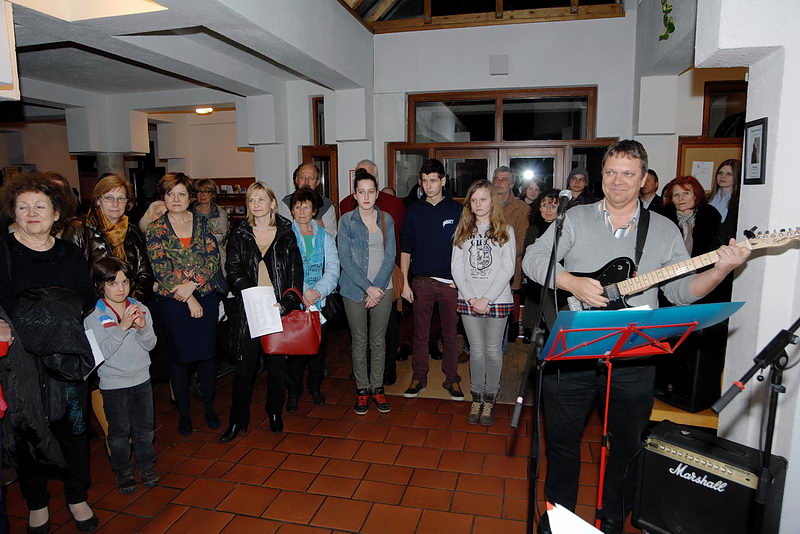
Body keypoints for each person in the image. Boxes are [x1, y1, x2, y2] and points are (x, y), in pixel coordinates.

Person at [522, 140, 749, 534]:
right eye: (611, 172)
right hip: (573, 353)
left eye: (628, 173)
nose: (618, 181)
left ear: (643, 179)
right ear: (601, 176)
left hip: (633, 357)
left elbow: (680, 292)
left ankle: (612, 518)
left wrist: (719, 271)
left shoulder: (663, 229)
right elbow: (533, 259)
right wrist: (571, 282)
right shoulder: (574, 218)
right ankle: (558, 518)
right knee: (561, 443)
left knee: (625, 447)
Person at [0, 171, 98, 533]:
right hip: (21, 357)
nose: (31, 214)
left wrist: (53, 310)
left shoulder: (69, 252)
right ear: (13, 211)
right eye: (23, 207)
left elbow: (86, 296)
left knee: (74, 428)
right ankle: (37, 503)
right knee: (27, 428)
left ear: (56, 213)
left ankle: (77, 496)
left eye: (40, 206)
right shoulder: (3, 251)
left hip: (65, 353)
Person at [61, 174, 155, 457]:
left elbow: (143, 272)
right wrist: (103, 305)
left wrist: (130, 303)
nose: (115, 204)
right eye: (109, 198)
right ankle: (112, 435)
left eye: (121, 198)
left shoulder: (132, 231)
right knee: (99, 375)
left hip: (128, 307)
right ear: (98, 199)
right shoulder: (79, 228)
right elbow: (71, 276)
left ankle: (124, 437)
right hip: (92, 311)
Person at [220, 182, 303, 441]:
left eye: (261, 199)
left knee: (277, 368)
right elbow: (233, 270)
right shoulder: (240, 233)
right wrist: (256, 296)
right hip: (249, 310)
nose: (256, 204)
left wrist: (286, 303)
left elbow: (295, 274)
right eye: (251, 200)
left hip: (278, 311)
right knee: (244, 369)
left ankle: (275, 413)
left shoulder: (286, 233)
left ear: (272, 203)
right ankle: (237, 421)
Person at [145, 173, 222, 437]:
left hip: (206, 296)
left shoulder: (202, 222)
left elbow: (212, 259)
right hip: (174, 303)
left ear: (190, 197)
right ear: (163, 197)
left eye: (181, 194)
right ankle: (185, 414)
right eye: (170, 194)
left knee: (207, 357)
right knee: (179, 359)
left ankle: (210, 409)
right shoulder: (156, 229)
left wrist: (194, 286)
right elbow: (160, 269)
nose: (176, 199)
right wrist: (188, 296)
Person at [84, 257, 158, 495]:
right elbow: (102, 353)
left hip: (142, 379)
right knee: (118, 433)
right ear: (101, 285)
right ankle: (123, 471)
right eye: (113, 283)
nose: (121, 288)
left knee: (145, 429)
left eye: (125, 282)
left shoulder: (140, 308)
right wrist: (122, 327)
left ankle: (147, 466)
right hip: (113, 384)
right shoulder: (94, 316)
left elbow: (150, 345)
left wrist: (143, 328)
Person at [451, 180, 515, 426]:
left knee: (493, 351)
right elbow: (457, 268)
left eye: (483, 199)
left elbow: (508, 268)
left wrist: (487, 298)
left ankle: (490, 398)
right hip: (469, 300)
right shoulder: (462, 230)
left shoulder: (505, 230)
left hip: (496, 299)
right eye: (474, 200)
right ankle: (477, 397)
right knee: (476, 351)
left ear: (492, 202)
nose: (478, 204)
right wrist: (472, 298)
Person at [400, 159, 463, 400]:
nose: (428, 185)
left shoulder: (457, 210)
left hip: (450, 284)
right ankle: (418, 377)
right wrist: (405, 283)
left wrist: (460, 281)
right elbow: (405, 249)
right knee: (420, 334)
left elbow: (464, 248)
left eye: (433, 181)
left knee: (450, 335)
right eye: (424, 181)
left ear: (443, 181)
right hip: (422, 282)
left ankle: (452, 379)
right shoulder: (414, 211)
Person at [339, 159, 407, 385]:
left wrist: (376, 288)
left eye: (370, 191)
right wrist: (368, 287)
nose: (366, 196)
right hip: (353, 289)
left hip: (383, 288)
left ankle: (377, 387)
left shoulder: (386, 219)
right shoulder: (346, 221)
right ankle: (362, 388)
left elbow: (390, 256)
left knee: (378, 341)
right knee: (359, 341)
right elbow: (345, 259)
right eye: (361, 192)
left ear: (377, 194)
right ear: (355, 195)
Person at [286, 187, 339, 410]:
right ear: (292, 210)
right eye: (297, 207)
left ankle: (315, 388)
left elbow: (333, 268)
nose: (301, 211)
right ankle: (294, 394)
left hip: (320, 302)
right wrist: (305, 292)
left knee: (318, 351)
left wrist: (318, 292)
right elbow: (286, 270)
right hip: (294, 303)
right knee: (295, 353)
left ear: (314, 210)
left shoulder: (325, 237)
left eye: (306, 207)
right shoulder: (286, 236)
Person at [490, 167, 529, 344]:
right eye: (496, 179)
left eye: (504, 179)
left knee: (502, 319)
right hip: (483, 268)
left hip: (509, 270)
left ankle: (499, 352)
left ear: (512, 184)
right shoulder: (484, 202)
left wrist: (495, 252)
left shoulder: (522, 209)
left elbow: (521, 244)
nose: (499, 183)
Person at [520, 189, 559, 343]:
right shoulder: (533, 229)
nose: (548, 210)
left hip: (559, 283)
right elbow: (527, 256)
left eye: (553, 206)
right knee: (535, 329)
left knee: (554, 327)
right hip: (536, 282)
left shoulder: (565, 230)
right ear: (539, 208)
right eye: (545, 205)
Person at [661, 176, 724, 258]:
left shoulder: (710, 217)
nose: (680, 198)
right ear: (672, 199)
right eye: (676, 195)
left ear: (695, 195)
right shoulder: (663, 220)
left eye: (686, 193)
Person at [278, 163, 337, 238]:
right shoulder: (286, 203)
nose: (306, 182)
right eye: (303, 177)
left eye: (311, 178)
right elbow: (285, 233)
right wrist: (314, 225)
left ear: (317, 182)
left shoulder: (326, 205)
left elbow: (331, 235)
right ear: (296, 180)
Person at [190, 179, 230, 270]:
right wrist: (210, 234)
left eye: (206, 192)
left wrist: (197, 237)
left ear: (212, 194)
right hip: (193, 258)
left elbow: (220, 237)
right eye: (199, 192)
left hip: (217, 257)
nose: (202, 195)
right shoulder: (189, 212)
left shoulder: (221, 213)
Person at [707, 159, 742, 241]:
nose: (723, 176)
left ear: (737, 176)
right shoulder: (706, 199)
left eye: (729, 174)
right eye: (720, 173)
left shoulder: (739, 202)